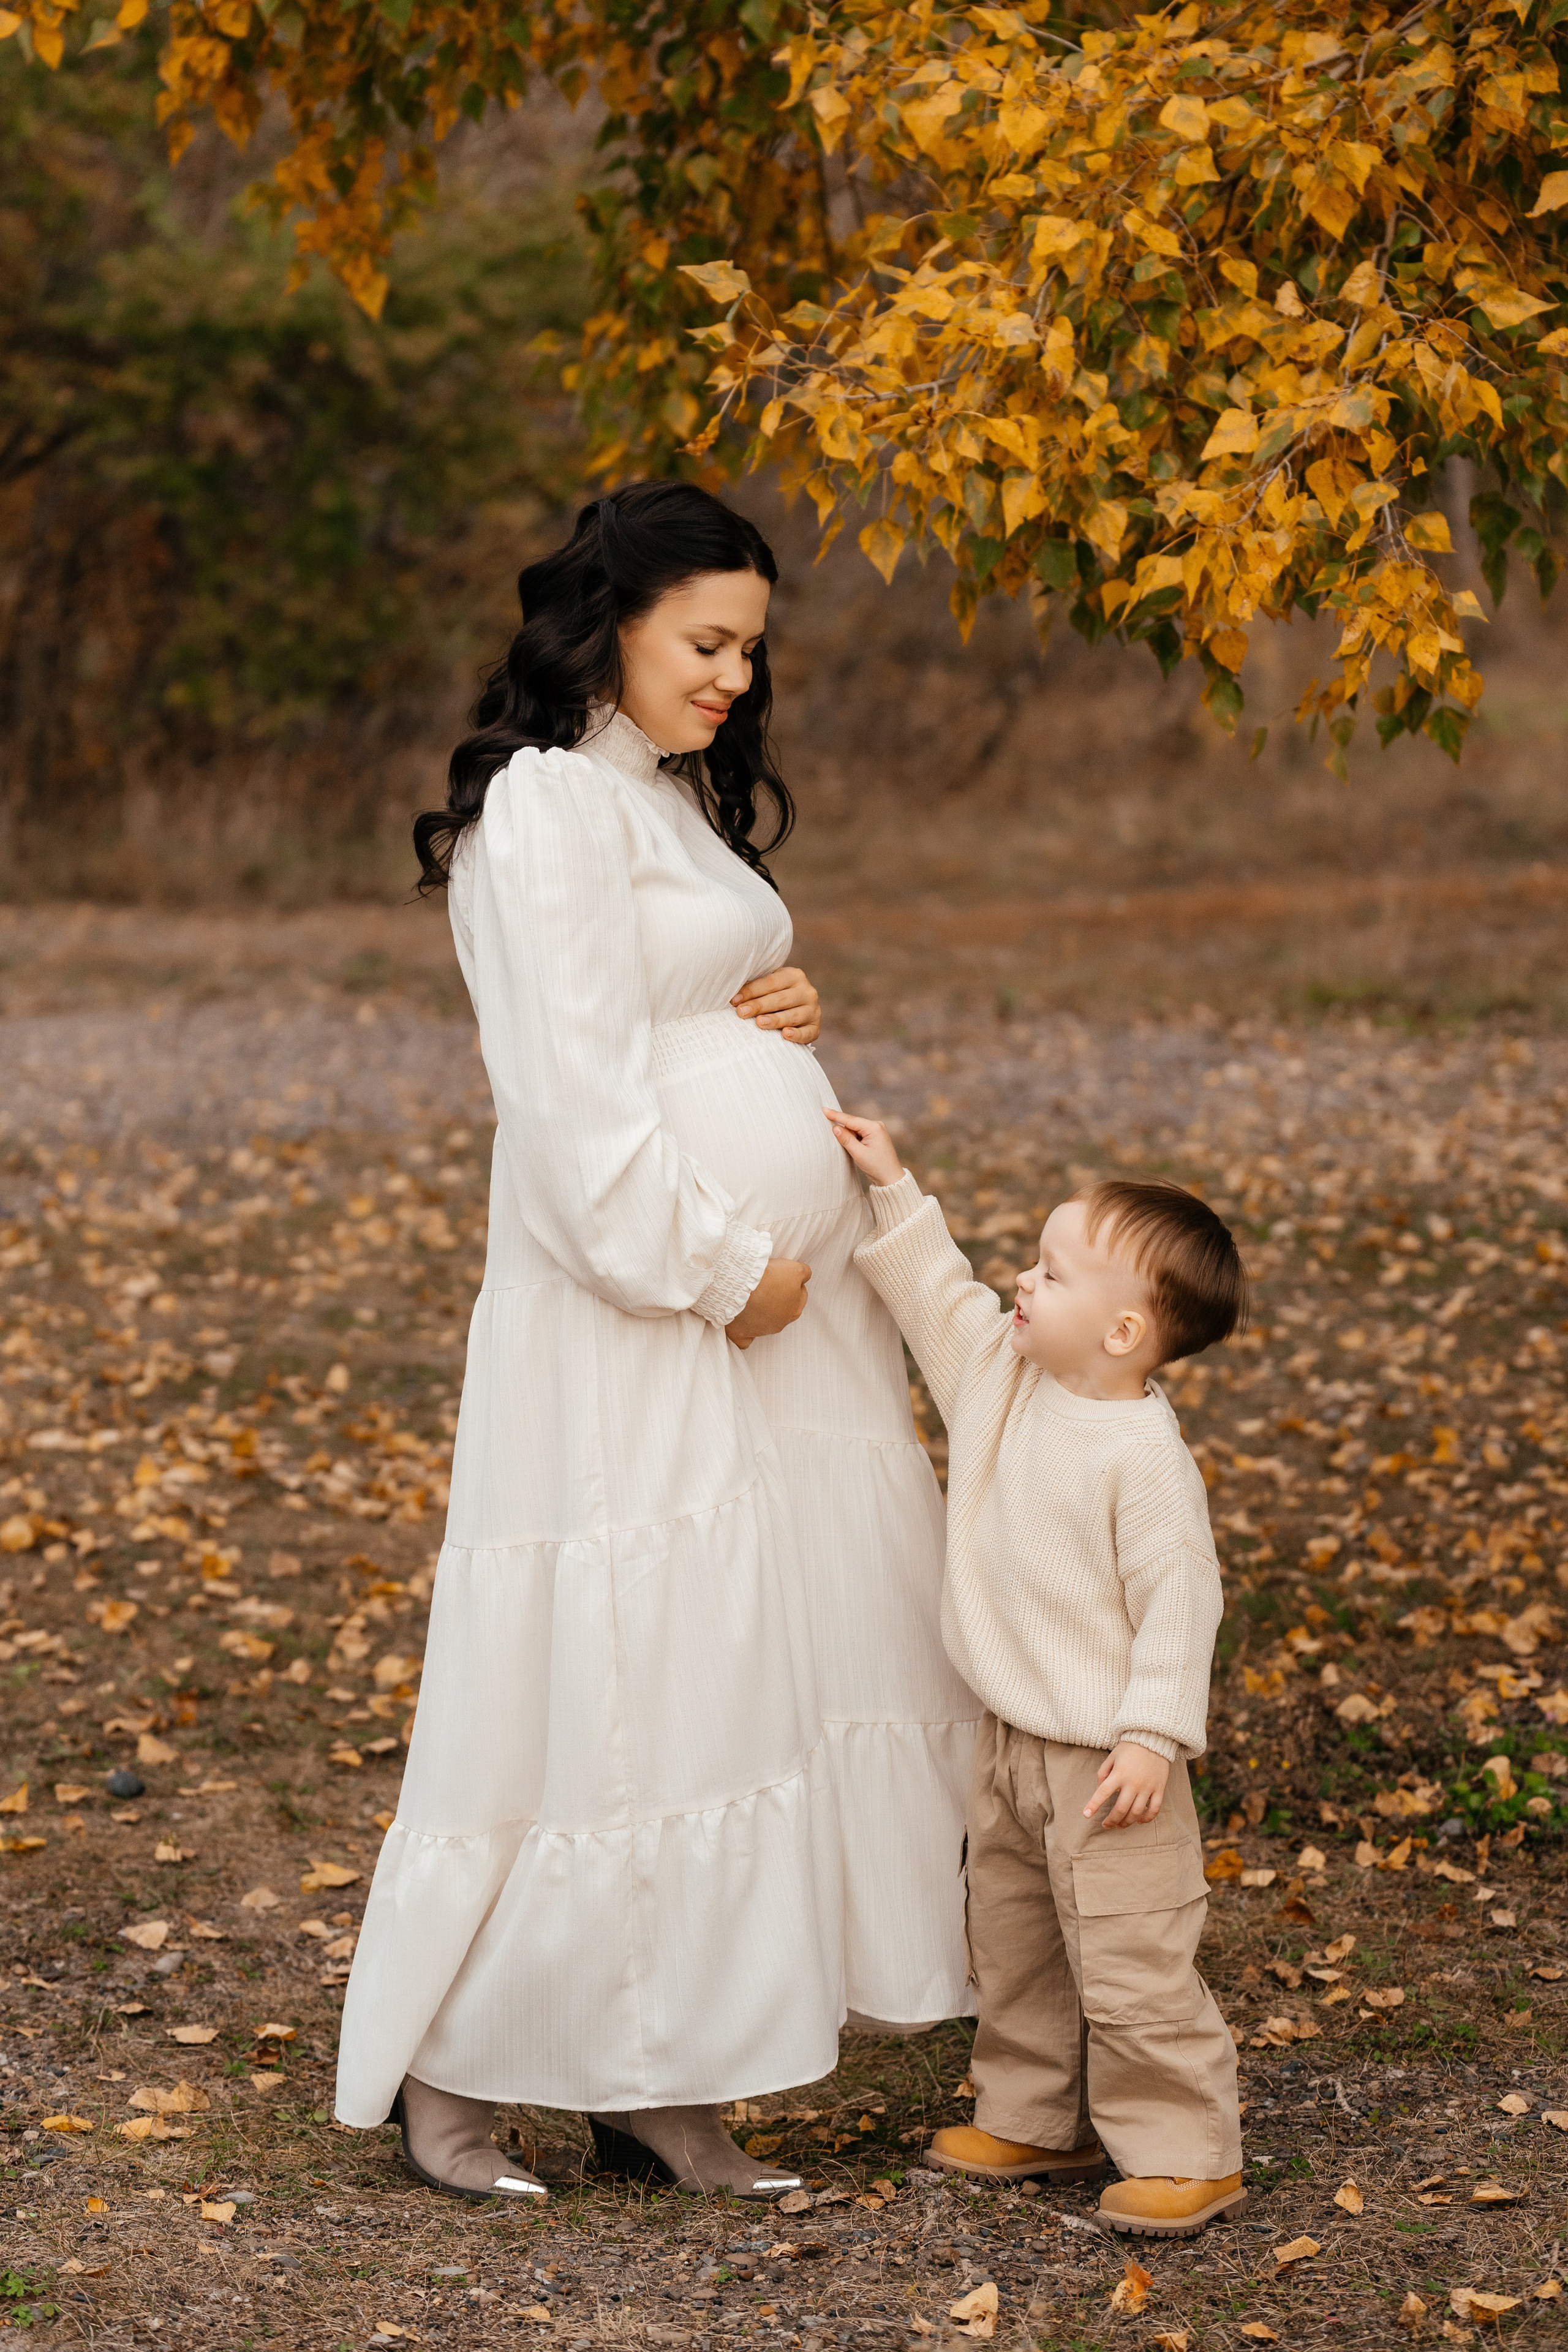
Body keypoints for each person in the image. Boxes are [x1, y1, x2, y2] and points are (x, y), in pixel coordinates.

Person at [333, 483, 978, 2201]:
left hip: (780, 1332)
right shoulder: (543, 805)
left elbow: (669, 1003)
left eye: (751, 649)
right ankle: (455, 2069)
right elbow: (563, 1095)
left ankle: (662, 2078)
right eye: (706, 641)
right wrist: (714, 1265)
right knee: (611, 1688)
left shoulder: (668, 800)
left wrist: (780, 1008)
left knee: (724, 1690)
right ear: (604, 621)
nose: (733, 677)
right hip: (649, 1314)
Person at [824, 1109, 1248, 2240]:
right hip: (1009, 1738)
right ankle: (1033, 2113)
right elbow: (935, 1296)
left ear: (1120, 1331)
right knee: (1013, 1942)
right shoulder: (1002, 1378)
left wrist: (1154, 1737)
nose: (1022, 1277)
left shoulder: (1144, 1463)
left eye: (1050, 1272)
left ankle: (1183, 2148)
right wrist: (894, 1184)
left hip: (1110, 1763)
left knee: (1129, 1954)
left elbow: (1180, 1608)